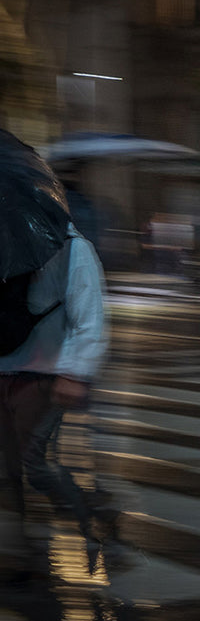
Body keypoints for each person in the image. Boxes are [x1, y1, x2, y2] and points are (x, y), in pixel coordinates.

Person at [0, 222, 118, 578]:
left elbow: (90, 315)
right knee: (7, 468)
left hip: (45, 374)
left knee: (30, 464)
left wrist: (74, 372)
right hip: (5, 368)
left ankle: (89, 517)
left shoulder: (72, 247)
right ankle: (15, 555)